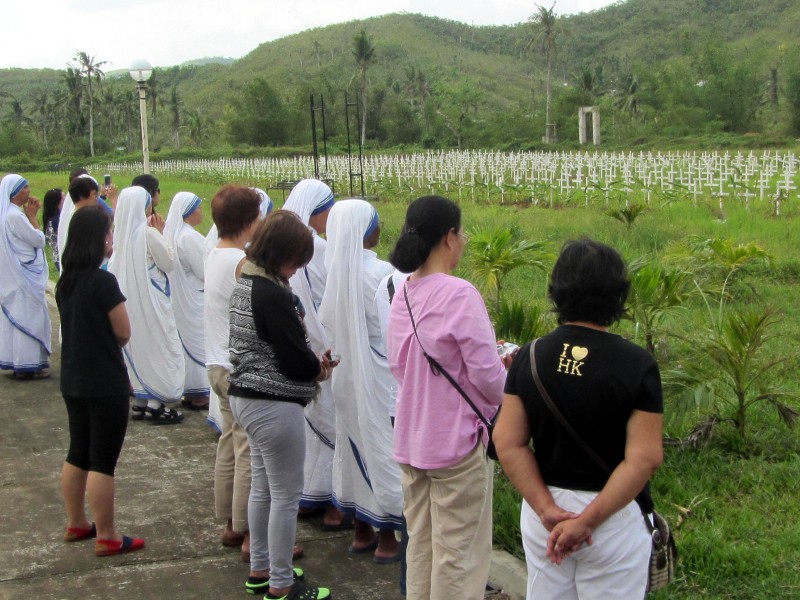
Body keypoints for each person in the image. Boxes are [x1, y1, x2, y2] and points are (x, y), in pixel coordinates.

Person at [493, 239, 664, 600]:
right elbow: (644, 458)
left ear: (558, 290)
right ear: (618, 294)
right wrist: (586, 522)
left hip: (545, 513)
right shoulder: (636, 364)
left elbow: (507, 441)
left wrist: (546, 509)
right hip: (612, 516)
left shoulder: (532, 356)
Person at [386, 195, 508, 600]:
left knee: (420, 547)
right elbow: (489, 378)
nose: (465, 240)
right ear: (449, 238)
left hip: (411, 439)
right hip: (455, 445)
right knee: (459, 556)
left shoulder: (403, 291)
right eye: (462, 233)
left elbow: (400, 367)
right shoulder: (459, 293)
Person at [228, 210, 335, 600]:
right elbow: (294, 360)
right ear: (282, 254)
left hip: (245, 396)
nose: (297, 270)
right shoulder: (272, 294)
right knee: (286, 496)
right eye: (297, 260)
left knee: (264, 489)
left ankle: (260, 568)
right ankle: (281, 583)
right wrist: (319, 369)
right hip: (273, 404)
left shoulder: (247, 281)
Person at [56, 205, 144, 557]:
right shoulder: (103, 281)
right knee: (102, 460)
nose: (112, 239)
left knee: (78, 450)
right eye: (109, 233)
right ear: (97, 239)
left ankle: (77, 521)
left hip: (74, 378)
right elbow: (123, 332)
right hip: (104, 381)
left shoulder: (67, 280)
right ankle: (106, 534)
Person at [319, 199, 402, 563]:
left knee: (350, 449)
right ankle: (386, 536)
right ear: (368, 232)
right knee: (382, 450)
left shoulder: (331, 269)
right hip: (376, 372)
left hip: (345, 371)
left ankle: (360, 530)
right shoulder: (383, 271)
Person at [282, 179, 346, 529]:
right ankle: (334, 499)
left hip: (303, 341)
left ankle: (309, 495)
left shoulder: (285, 248)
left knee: (312, 421)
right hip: (326, 343)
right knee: (334, 421)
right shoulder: (320, 248)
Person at [204, 185, 261, 560]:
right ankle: (249, 532)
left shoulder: (215, 253)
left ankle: (229, 522)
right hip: (237, 364)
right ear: (247, 222)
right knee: (248, 450)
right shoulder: (240, 262)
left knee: (230, 440)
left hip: (215, 362)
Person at [107, 186, 185, 423]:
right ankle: (157, 402)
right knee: (160, 344)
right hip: (152, 301)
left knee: (139, 345)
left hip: (129, 302)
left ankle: (141, 399)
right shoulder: (147, 233)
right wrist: (160, 233)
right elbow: (168, 262)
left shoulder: (120, 234)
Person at [0, 174, 51, 379]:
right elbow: (38, 241)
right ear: (14, 193)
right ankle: (27, 364)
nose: (29, 191)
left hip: (14, 275)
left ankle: (18, 360)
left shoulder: (7, 214)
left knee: (17, 316)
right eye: (25, 188)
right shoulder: (15, 216)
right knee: (27, 316)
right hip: (24, 276)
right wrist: (32, 218)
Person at [164, 192, 209, 410]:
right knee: (199, 343)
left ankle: (191, 390)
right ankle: (200, 391)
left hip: (184, 297)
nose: (201, 212)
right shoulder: (189, 237)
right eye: (198, 208)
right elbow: (204, 269)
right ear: (189, 213)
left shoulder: (175, 234)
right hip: (194, 297)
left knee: (187, 342)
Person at [204, 187, 272, 259]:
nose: (261, 222)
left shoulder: (217, 251)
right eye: (260, 216)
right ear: (248, 222)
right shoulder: (241, 262)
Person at [42, 188, 64, 272]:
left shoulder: (50, 219)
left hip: (57, 257)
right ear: (56, 203)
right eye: (63, 200)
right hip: (62, 258)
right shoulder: (57, 221)